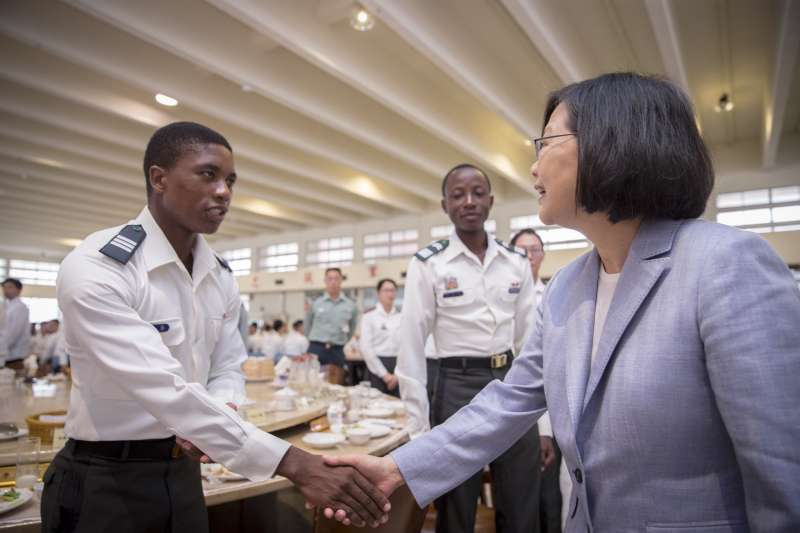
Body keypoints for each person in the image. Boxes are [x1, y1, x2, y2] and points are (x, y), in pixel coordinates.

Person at [324, 73, 800, 532]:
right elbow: (510, 401)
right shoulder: (568, 285)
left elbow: (782, 473)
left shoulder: (724, 265)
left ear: (611, 144)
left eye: (546, 143)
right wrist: (399, 468)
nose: (533, 167)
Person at [42, 121, 390, 532]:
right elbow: (166, 389)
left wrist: (220, 415)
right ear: (159, 178)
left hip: (185, 474)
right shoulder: (100, 266)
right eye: (208, 174)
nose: (224, 192)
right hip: (106, 478)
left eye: (230, 180)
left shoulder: (219, 274)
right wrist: (297, 465)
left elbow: (227, 365)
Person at [395, 163, 542, 533]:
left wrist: (545, 425)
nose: (469, 201)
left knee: (522, 500)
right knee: (458, 507)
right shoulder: (429, 263)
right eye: (457, 195)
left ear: (491, 201)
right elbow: (411, 346)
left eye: (478, 193)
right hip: (455, 385)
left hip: (511, 383)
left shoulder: (516, 261)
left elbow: (532, 345)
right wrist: (417, 430)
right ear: (445, 206)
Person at [510, 229, 561, 533]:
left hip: (546, 411)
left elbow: (547, 367)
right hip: (509, 407)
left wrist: (545, 430)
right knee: (517, 501)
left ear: (543, 255)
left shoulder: (556, 293)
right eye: (521, 251)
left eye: (535, 250)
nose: (529, 257)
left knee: (548, 496)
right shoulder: (501, 300)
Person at [306, 268, 358, 372]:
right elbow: (308, 324)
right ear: (325, 281)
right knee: (312, 382)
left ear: (341, 281)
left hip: (337, 350)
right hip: (316, 348)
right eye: (330, 279)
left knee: (337, 384)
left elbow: (352, 328)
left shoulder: (351, 306)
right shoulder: (316, 304)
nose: (333, 282)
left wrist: (342, 341)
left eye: (336, 278)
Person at [359, 278, 401, 397]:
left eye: (393, 290)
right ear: (378, 293)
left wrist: (397, 374)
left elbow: (405, 347)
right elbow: (366, 348)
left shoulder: (401, 317)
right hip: (376, 369)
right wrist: (385, 375)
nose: (390, 294)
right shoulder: (369, 317)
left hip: (398, 368)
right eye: (386, 290)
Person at [1, 278, 31, 371]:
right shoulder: (6, 306)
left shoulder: (20, 307)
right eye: (4, 288)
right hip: (6, 353)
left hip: (15, 355)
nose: (6, 290)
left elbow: (13, 333)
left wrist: (2, 348)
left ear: (19, 290)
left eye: (10, 287)